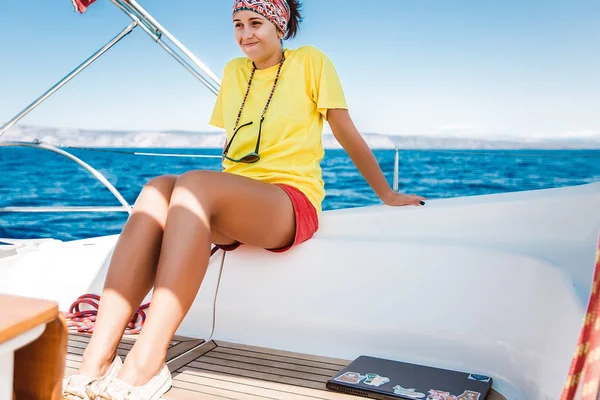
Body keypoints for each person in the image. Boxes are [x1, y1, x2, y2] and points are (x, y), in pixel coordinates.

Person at [62, 0, 426, 399]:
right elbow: (234, 146)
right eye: (238, 24)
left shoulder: (311, 61)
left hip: (289, 201)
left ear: (280, 28)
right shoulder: (235, 72)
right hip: (233, 202)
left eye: (256, 23)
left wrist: (386, 194)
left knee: (195, 184)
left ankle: (146, 363)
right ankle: (95, 361)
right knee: (157, 188)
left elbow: (346, 133)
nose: (245, 33)